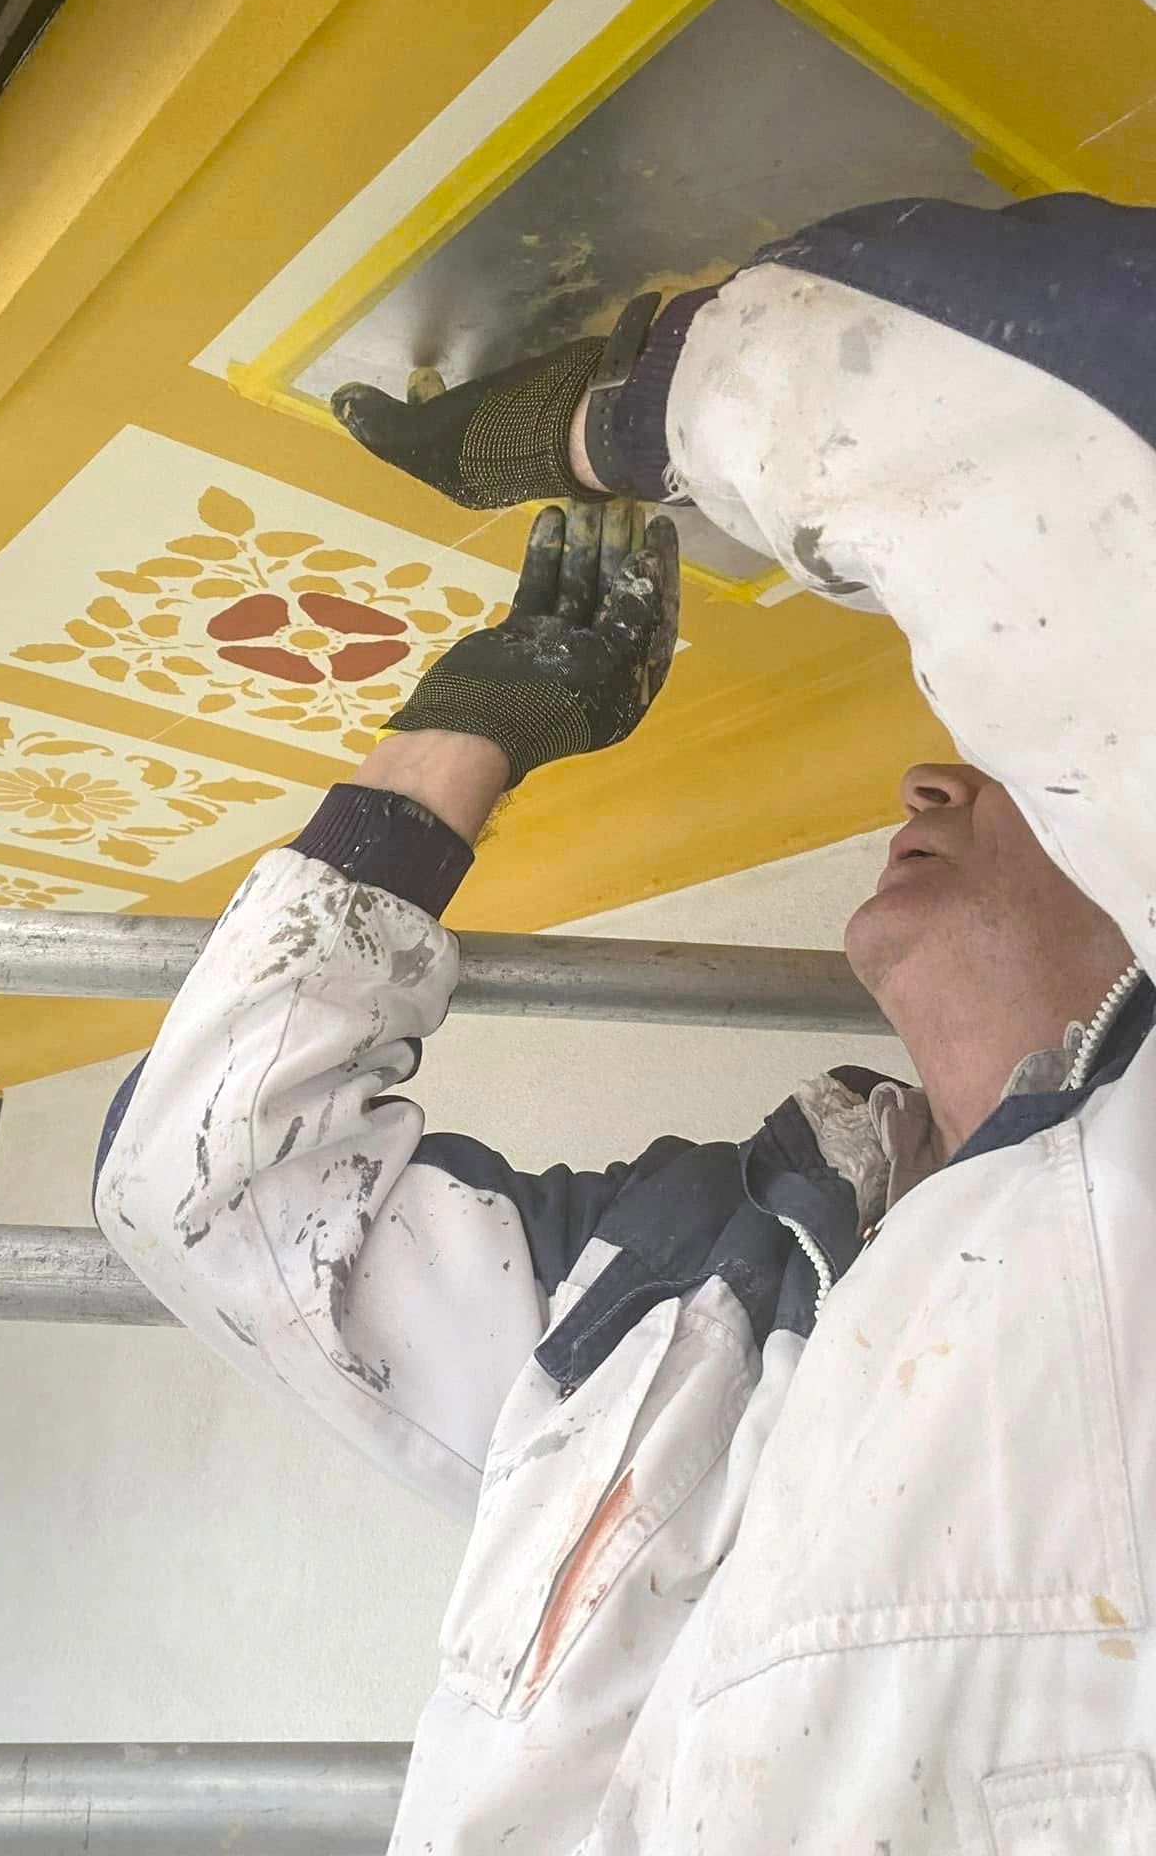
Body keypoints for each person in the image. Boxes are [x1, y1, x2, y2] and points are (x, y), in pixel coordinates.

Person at [92, 194, 1156, 1852]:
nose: (925, 780)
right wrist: (470, 724)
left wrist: (631, 413)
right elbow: (210, 1184)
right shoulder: (711, 1277)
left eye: (1023, 775)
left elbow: (1095, 453)